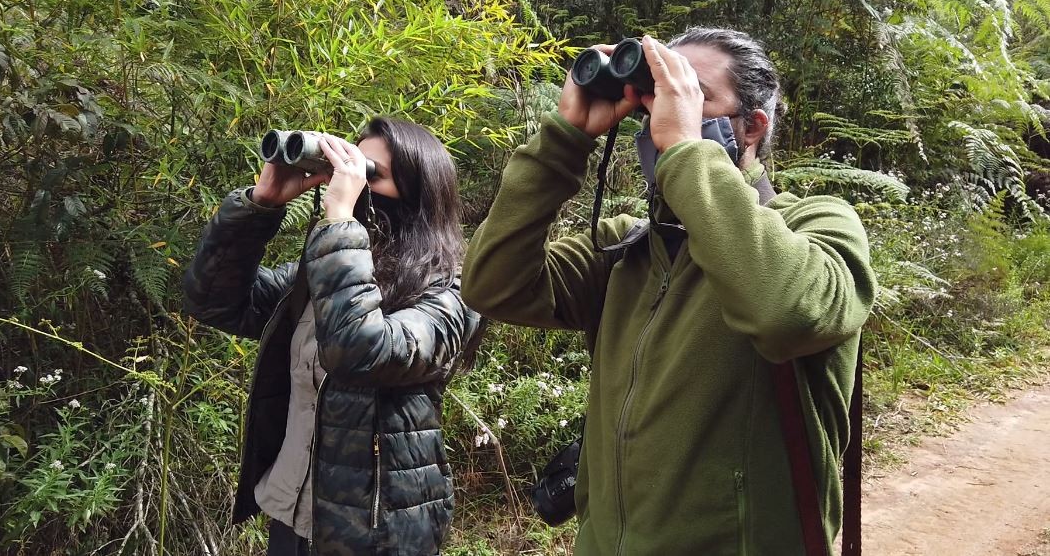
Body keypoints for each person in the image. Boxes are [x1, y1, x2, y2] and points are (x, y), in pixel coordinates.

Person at [461, 27, 877, 554]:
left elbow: (785, 311)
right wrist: (566, 137)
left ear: (751, 128)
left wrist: (685, 149)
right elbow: (491, 284)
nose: (664, 115)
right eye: (656, 96)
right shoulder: (625, 247)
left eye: (690, 95)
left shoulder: (816, 226)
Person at [182, 118, 484, 555]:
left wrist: (341, 221)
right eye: (353, 168)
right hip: (293, 514)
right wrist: (261, 204)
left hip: (377, 532)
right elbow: (214, 300)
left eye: (370, 174)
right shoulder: (324, 273)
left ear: (420, 190)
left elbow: (364, 353)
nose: (356, 185)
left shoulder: (452, 290)